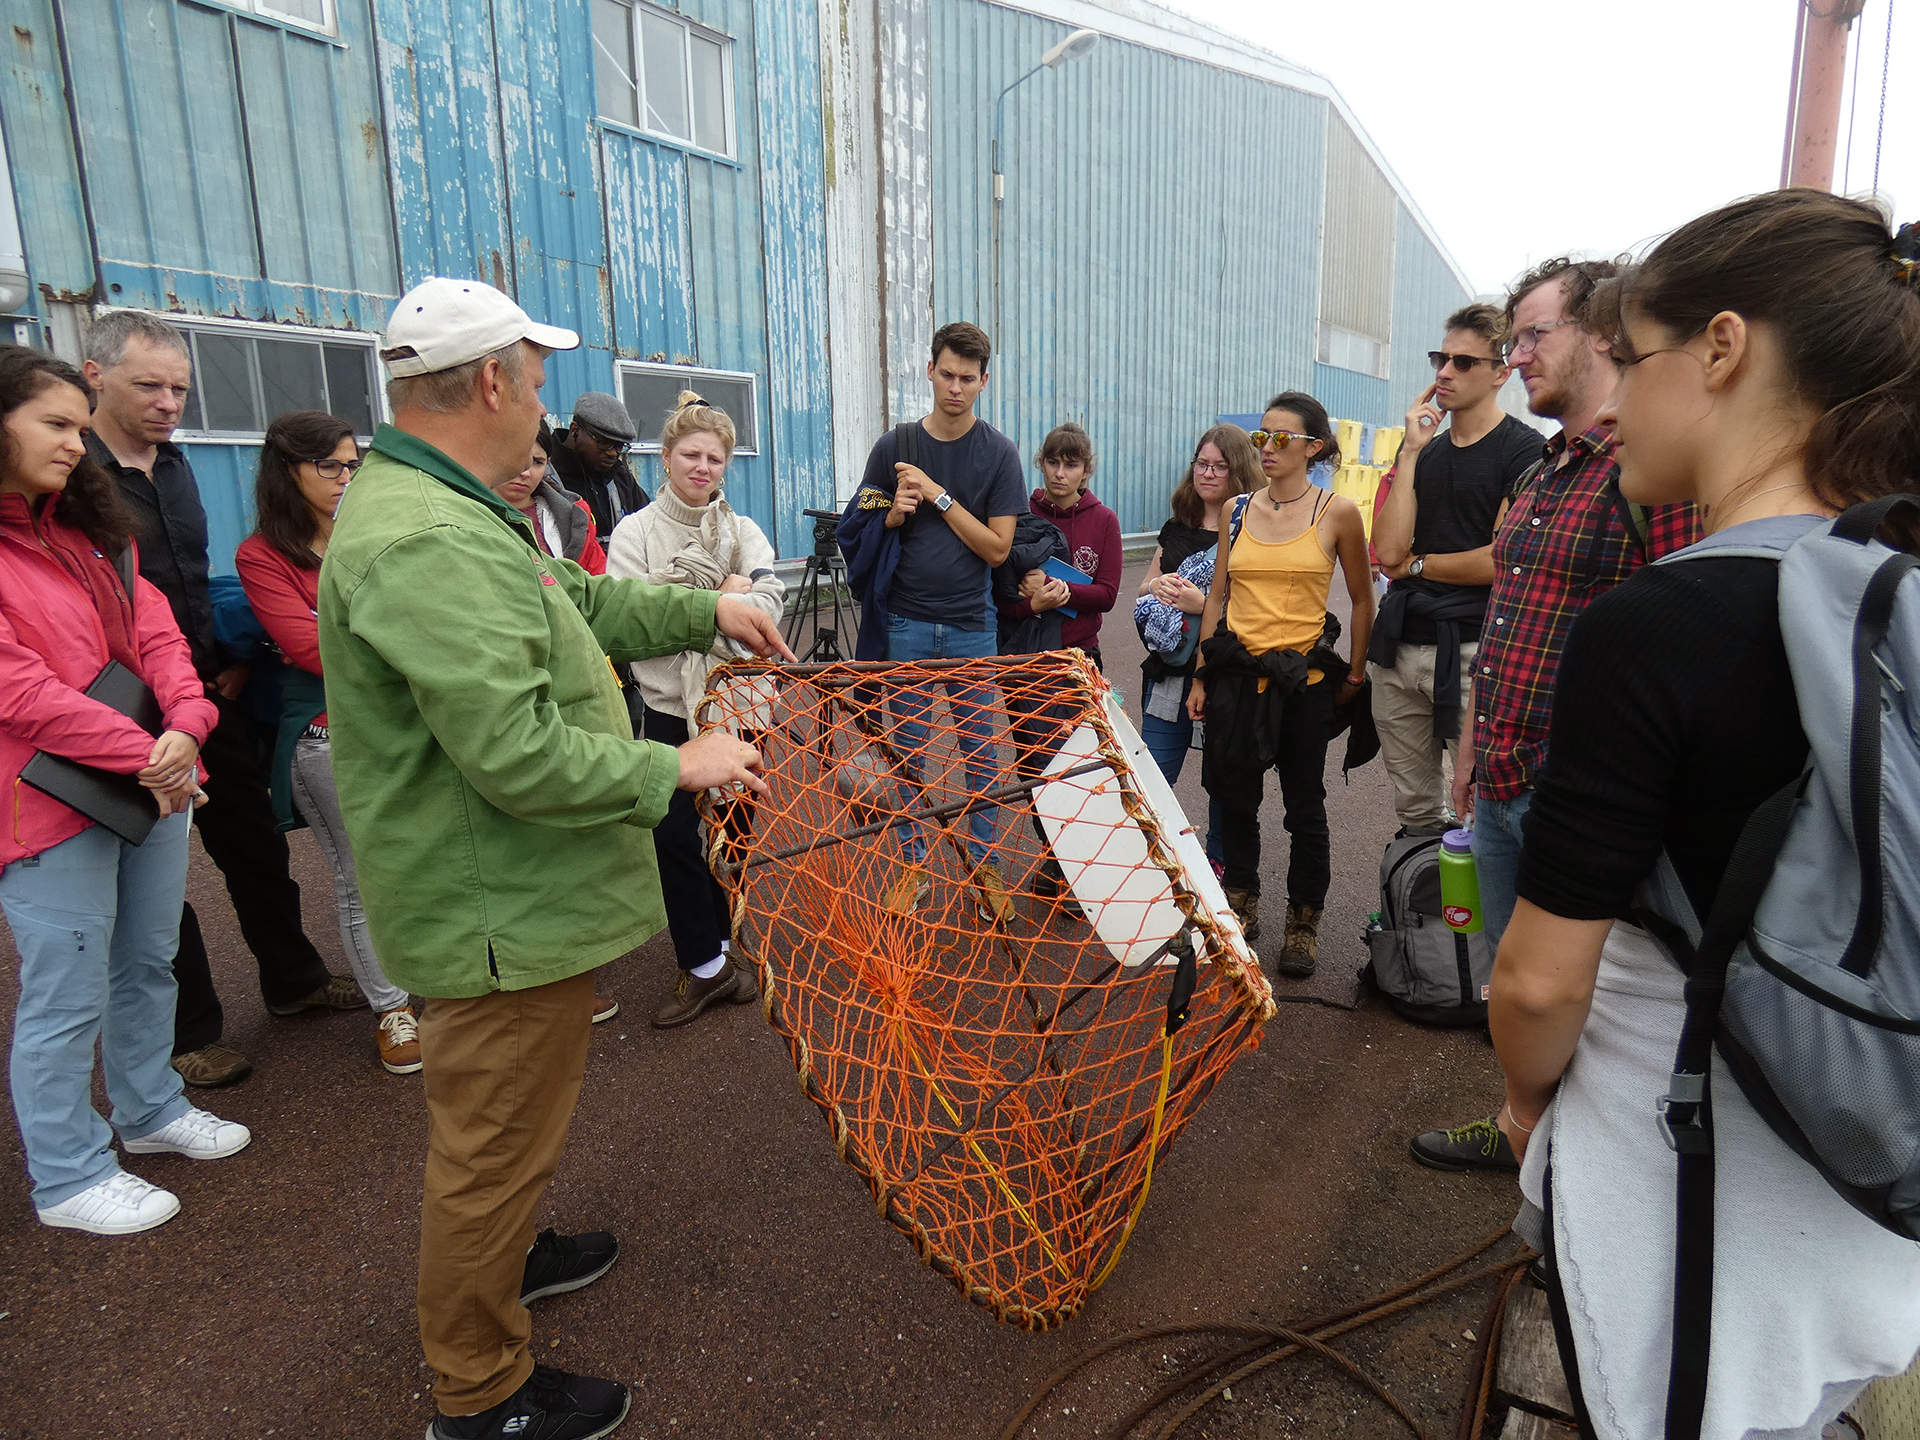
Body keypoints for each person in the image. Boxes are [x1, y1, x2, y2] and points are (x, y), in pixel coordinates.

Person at [318, 277, 792, 1440]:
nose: (541, 401)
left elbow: (576, 604)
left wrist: (705, 613)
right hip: (493, 913)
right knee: (486, 1151)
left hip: (510, 901)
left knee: (509, 1129)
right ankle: (481, 1396)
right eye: (534, 377)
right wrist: (673, 770)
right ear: (490, 379)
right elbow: (516, 754)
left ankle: (514, 1259)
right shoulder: (424, 537)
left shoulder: (451, 503)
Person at [1492, 191, 1920, 1439]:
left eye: (1633, 355)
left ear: (1722, 351)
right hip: (1874, 1183)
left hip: (1699, 1199)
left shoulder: (1662, 621)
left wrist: (1526, 1103)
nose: (1614, 400)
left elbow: (1534, 986)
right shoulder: (1896, 593)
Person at [1410, 260, 1701, 1173]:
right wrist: (1469, 752)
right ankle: (1523, 1131)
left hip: (1580, 792)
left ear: (1601, 335)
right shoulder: (1545, 471)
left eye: (1533, 335)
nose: (1515, 354)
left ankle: (1590, 1183)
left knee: (1594, 1000)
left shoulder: (1652, 471)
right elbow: (1509, 622)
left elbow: (1687, 634)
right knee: (1514, 982)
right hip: (1498, 771)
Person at [0, 345, 250, 1235]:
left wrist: (187, 725)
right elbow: (19, 691)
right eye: (56, 425)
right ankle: (67, 1175)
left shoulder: (95, 533)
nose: (76, 444)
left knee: (147, 961)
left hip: (150, 779)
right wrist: (156, 749)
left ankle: (149, 1110)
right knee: (64, 994)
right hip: (48, 806)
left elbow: (163, 639)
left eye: (78, 425)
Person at [82, 310, 359, 1090]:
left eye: (179, 387)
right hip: (123, 710)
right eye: (150, 385)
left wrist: (229, 662)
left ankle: (294, 981)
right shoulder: (78, 476)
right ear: (95, 376)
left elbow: (189, 588)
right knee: (159, 883)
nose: (169, 402)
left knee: (255, 849)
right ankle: (190, 1032)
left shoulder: (173, 470)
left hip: (206, 694)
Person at [234, 411, 423, 1076]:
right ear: (289, 472)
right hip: (325, 736)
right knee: (361, 874)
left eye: (354, 465)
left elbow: (424, 615)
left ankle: (434, 971)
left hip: (406, 722)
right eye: (331, 466)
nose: (348, 478)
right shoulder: (262, 555)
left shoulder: (374, 534)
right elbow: (309, 649)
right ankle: (391, 1006)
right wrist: (399, 639)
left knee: (423, 859)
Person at [605, 391, 782, 1028]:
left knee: (732, 832)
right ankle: (703, 965)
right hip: (668, 708)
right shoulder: (636, 532)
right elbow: (627, 619)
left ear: (726, 465)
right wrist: (715, 592)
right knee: (674, 833)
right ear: (666, 456)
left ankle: (728, 941)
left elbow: (769, 607)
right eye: (690, 454)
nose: (702, 466)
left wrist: (731, 600)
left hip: (739, 703)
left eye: (714, 457)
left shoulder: (743, 530)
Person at [842, 321, 1024, 921]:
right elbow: (856, 522)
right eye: (946, 374)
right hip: (906, 624)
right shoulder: (894, 446)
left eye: (968, 379)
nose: (955, 388)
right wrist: (892, 515)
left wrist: (941, 497)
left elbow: (998, 550)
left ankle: (985, 867)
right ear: (929, 370)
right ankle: (914, 866)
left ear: (984, 382)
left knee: (982, 757)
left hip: (973, 625)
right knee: (908, 755)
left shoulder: (998, 453)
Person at [1189, 394, 1373, 974]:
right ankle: (1241, 902)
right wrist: (1201, 675)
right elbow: (1218, 595)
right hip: (1239, 679)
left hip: (1304, 683)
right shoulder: (1237, 510)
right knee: (1235, 798)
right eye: (1261, 437)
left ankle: (1304, 920)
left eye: (1281, 438)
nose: (1265, 448)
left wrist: (1356, 671)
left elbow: (1364, 600)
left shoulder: (1337, 513)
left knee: (1304, 805)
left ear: (1313, 447)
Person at [1369, 305, 1541, 835]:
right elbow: (1388, 550)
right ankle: (1418, 910)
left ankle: (1473, 916)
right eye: (1440, 358)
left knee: (1479, 806)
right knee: (1415, 808)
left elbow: (1499, 559)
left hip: (1473, 648)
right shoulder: (1427, 451)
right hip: (1400, 648)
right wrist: (1412, 452)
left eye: (1463, 362)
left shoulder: (1525, 451)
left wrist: (1418, 563)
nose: (1443, 372)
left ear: (1500, 372)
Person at [1134, 425, 1261, 872]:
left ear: (1239, 470)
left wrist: (1202, 604)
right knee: (1151, 776)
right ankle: (1149, 862)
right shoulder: (1178, 526)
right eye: (1201, 463)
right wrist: (1159, 583)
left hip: (1223, 673)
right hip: (1169, 671)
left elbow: (1256, 610)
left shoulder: (1252, 530)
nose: (1207, 473)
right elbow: (1144, 585)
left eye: (1219, 466)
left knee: (1223, 782)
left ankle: (1218, 866)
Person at [999, 422, 1121, 666]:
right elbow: (999, 594)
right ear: (1041, 463)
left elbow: (1107, 595)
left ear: (1086, 470)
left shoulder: (1104, 520)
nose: (1060, 473)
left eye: (1071, 465)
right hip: (1023, 650)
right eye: (1053, 462)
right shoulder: (1020, 514)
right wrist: (1031, 605)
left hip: (1080, 653)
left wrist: (1050, 586)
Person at [491, 421, 606, 574]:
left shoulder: (573, 518)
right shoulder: (463, 509)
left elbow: (595, 584)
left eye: (537, 462)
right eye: (515, 457)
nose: (525, 472)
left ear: (548, 464)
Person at [547, 391, 648, 540]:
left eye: (620, 446)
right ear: (575, 430)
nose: (613, 453)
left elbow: (648, 524)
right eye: (604, 442)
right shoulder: (543, 473)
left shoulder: (620, 476)